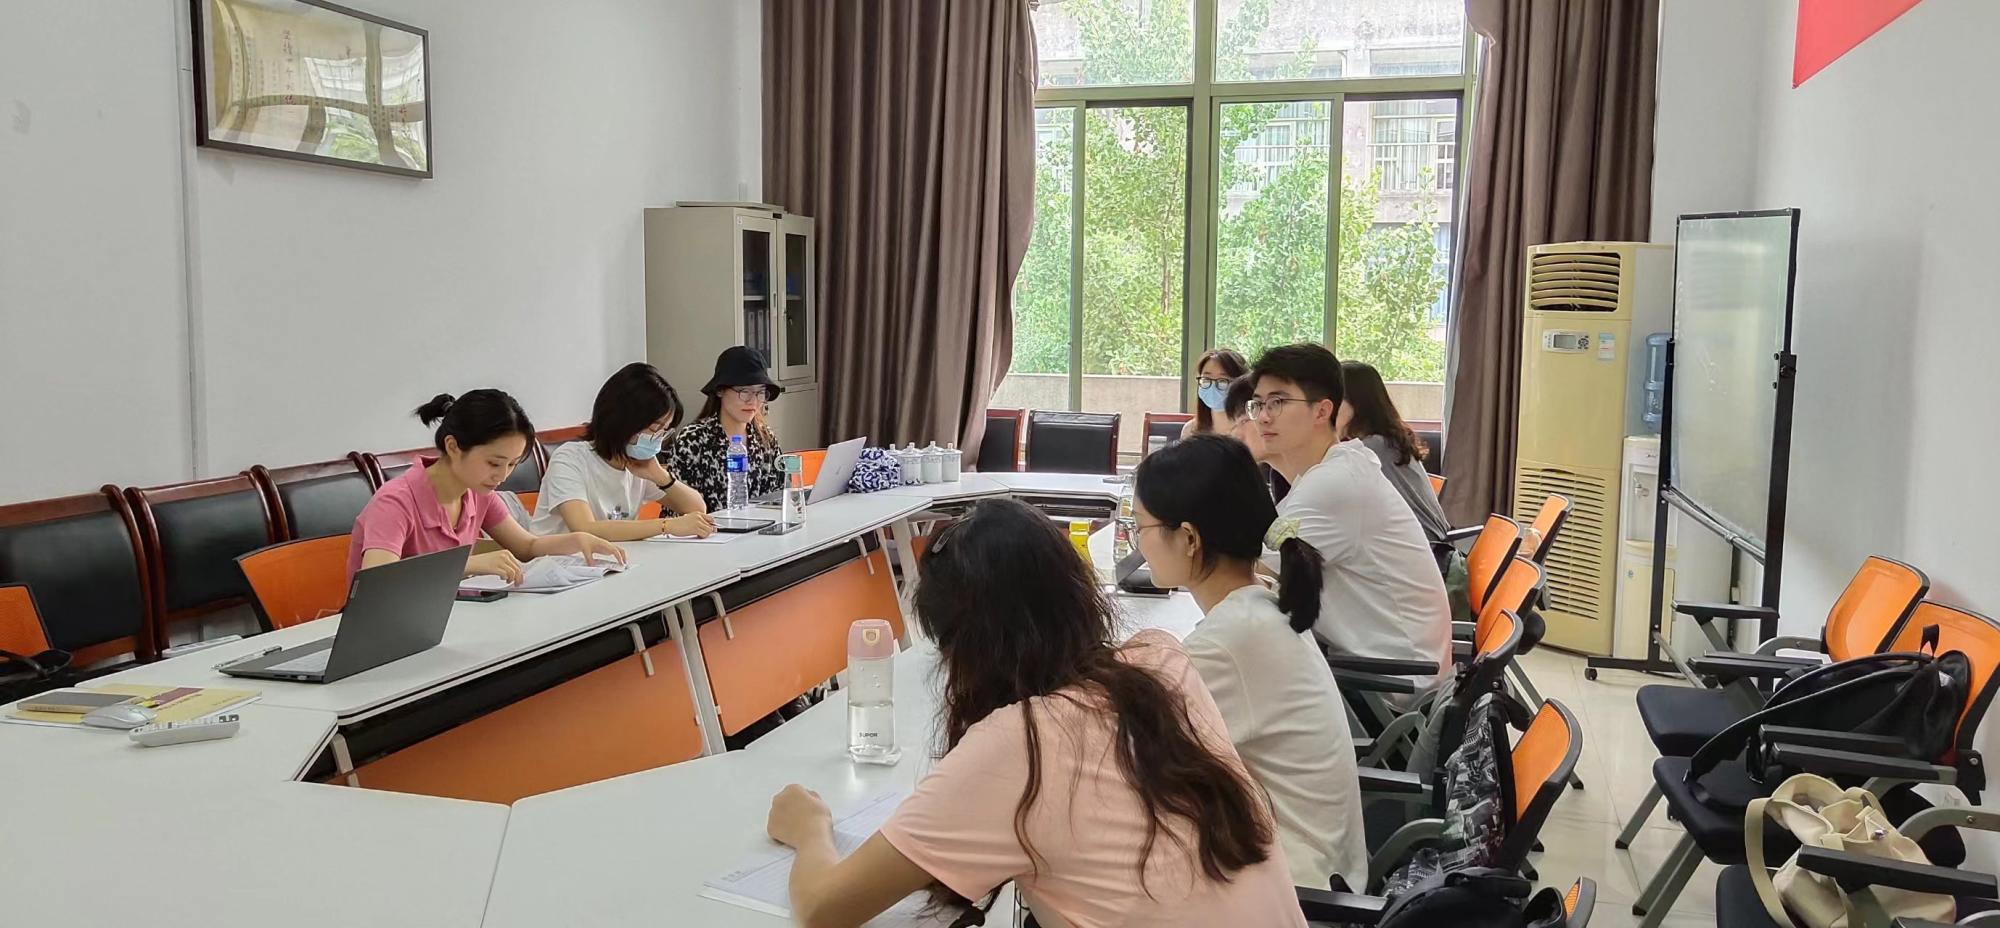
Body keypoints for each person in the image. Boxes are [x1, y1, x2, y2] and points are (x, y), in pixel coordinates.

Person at [763, 499, 1308, 928]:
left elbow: (823, 909)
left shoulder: (1018, 743)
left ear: (965, 647)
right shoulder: (1161, 661)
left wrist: (811, 830)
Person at [1133, 434, 1368, 892]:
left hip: (1297, 888)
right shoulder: (1261, 603)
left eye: (1141, 527)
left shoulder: (1231, 642)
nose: (1138, 544)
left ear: (1188, 538)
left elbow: (1130, 752)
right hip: (1317, 863)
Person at [1247, 344, 1450, 688]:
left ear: (1322, 411)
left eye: (1278, 402)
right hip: (1380, 665)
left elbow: (1248, 573)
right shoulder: (1334, 468)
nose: (1263, 417)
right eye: (1258, 405)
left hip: (1387, 684)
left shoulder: (1334, 484)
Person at [349, 390, 625, 583]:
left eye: (512, 464)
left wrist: (576, 540)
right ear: (453, 447)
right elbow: (378, 578)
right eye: (494, 463)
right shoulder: (396, 502)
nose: (502, 476)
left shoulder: (477, 493)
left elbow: (527, 546)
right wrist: (470, 565)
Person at [528, 363, 716, 541]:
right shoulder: (569, 459)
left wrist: (660, 476)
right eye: (653, 428)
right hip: (559, 561)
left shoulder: (637, 464)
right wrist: (666, 526)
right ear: (621, 420)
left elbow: (697, 508)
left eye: (664, 431)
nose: (657, 438)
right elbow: (585, 529)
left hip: (611, 560)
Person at [1337, 360, 1450, 546]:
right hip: (1427, 544)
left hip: (1424, 550)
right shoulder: (1388, 440)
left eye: (1336, 400)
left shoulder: (1370, 448)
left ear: (1358, 404)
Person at [667, 346, 784, 512]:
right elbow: (679, 510)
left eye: (760, 393)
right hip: (703, 527)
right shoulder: (693, 439)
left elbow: (777, 497)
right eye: (744, 391)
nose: (753, 401)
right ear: (720, 391)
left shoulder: (765, 438)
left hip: (758, 526)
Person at [1224, 375, 1289, 502]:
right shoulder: (1277, 477)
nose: (1236, 434)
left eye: (1244, 421)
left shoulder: (1316, 478)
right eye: (1235, 425)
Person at [1182, 347, 1249, 439]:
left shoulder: (1252, 431)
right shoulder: (1190, 430)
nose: (1212, 386)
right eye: (1206, 379)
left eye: (1223, 380)